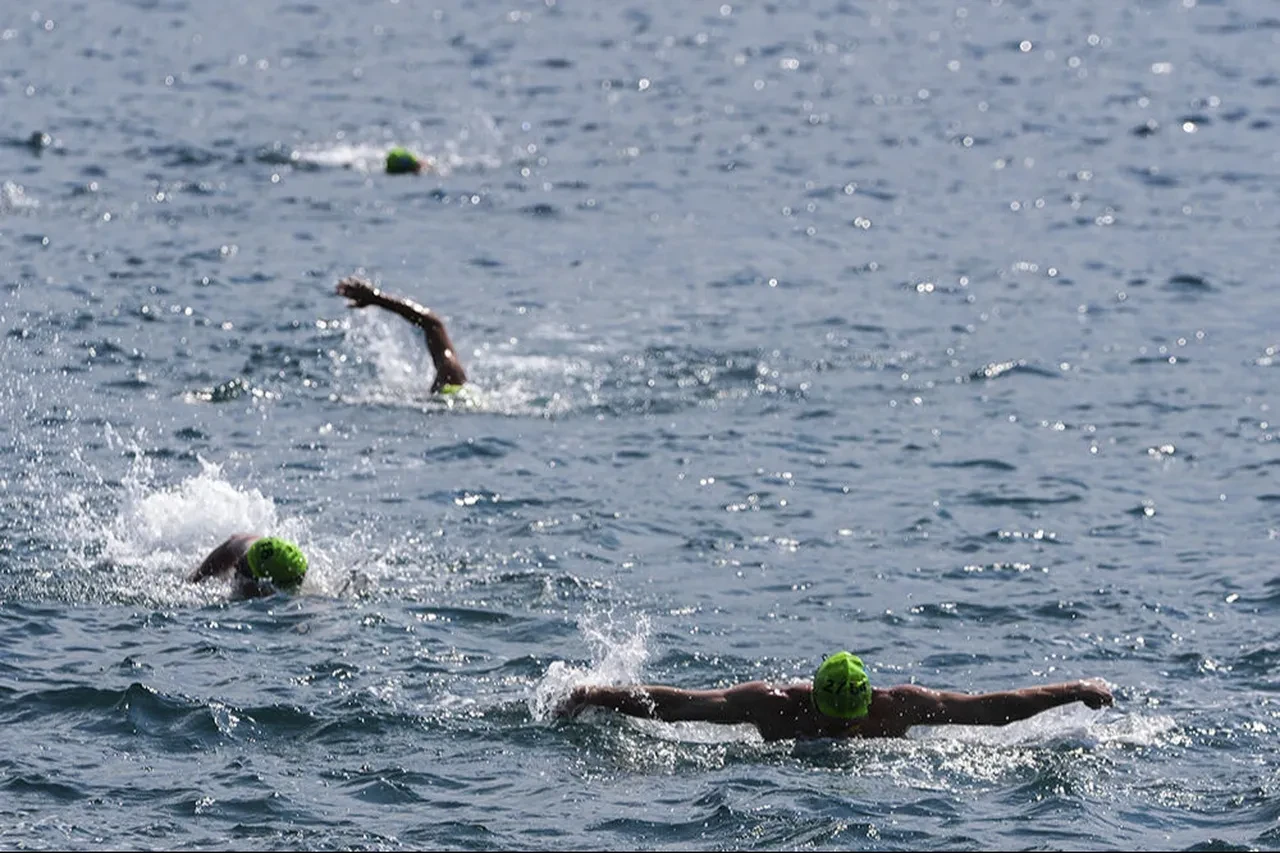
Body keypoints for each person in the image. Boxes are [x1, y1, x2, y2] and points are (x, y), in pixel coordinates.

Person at [556, 651, 1114, 742]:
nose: (846, 729)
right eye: (835, 716)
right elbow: (679, 705)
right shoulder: (773, 704)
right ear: (812, 698)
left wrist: (1073, 689)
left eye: (855, 716)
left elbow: (989, 710)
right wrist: (598, 693)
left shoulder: (898, 706)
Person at [335, 275, 468, 394]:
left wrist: (376, 298)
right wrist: (375, 299)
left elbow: (432, 324)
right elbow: (432, 324)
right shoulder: (450, 372)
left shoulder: (450, 372)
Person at [187, 534, 308, 599]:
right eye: (243, 559)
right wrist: (195, 579)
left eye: (244, 567)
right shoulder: (242, 544)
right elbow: (234, 541)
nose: (236, 565)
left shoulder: (259, 593)